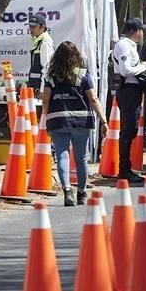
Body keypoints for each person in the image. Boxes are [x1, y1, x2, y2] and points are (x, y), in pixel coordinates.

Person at [41, 42, 109, 205]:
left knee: (62, 155)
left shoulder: (51, 76)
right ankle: (82, 192)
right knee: (81, 158)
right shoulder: (83, 75)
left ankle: (67, 190)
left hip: (57, 120)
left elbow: (45, 101)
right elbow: (93, 99)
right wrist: (103, 121)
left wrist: (46, 120)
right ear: (75, 57)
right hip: (81, 120)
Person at [112, 18, 146, 184]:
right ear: (135, 31)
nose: (142, 33)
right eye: (141, 30)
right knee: (128, 130)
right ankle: (124, 170)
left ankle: (126, 169)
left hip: (133, 91)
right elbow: (126, 70)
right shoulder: (124, 45)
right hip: (128, 91)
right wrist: (145, 67)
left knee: (131, 129)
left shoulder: (130, 46)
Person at [27, 12, 55, 96]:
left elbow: (47, 68)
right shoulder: (39, 42)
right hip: (36, 87)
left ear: (42, 27)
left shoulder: (45, 43)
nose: (31, 29)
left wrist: (43, 90)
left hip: (40, 89)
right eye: (30, 26)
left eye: (34, 26)